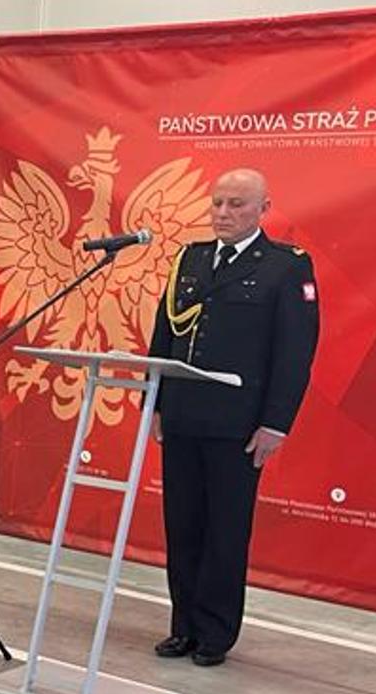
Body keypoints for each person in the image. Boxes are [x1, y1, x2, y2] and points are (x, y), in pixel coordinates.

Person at [148, 167, 320, 668]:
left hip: (237, 426)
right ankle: (183, 626)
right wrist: (155, 404)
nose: (223, 213)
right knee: (183, 527)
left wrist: (276, 423)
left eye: (237, 204)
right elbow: (164, 335)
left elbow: (294, 352)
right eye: (218, 203)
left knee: (224, 531)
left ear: (263, 209)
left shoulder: (285, 267)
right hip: (183, 417)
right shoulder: (191, 259)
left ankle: (215, 633)